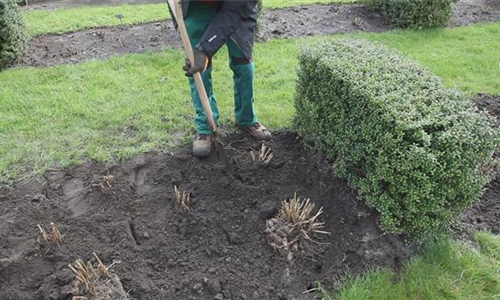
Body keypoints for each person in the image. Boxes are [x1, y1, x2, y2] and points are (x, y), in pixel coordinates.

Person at [170, 0, 272, 157]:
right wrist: (201, 53)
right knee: (198, 65)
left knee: (243, 62)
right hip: (197, 5)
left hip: (237, 6)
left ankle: (247, 118)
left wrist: (206, 49)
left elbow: (237, 9)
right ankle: (205, 126)